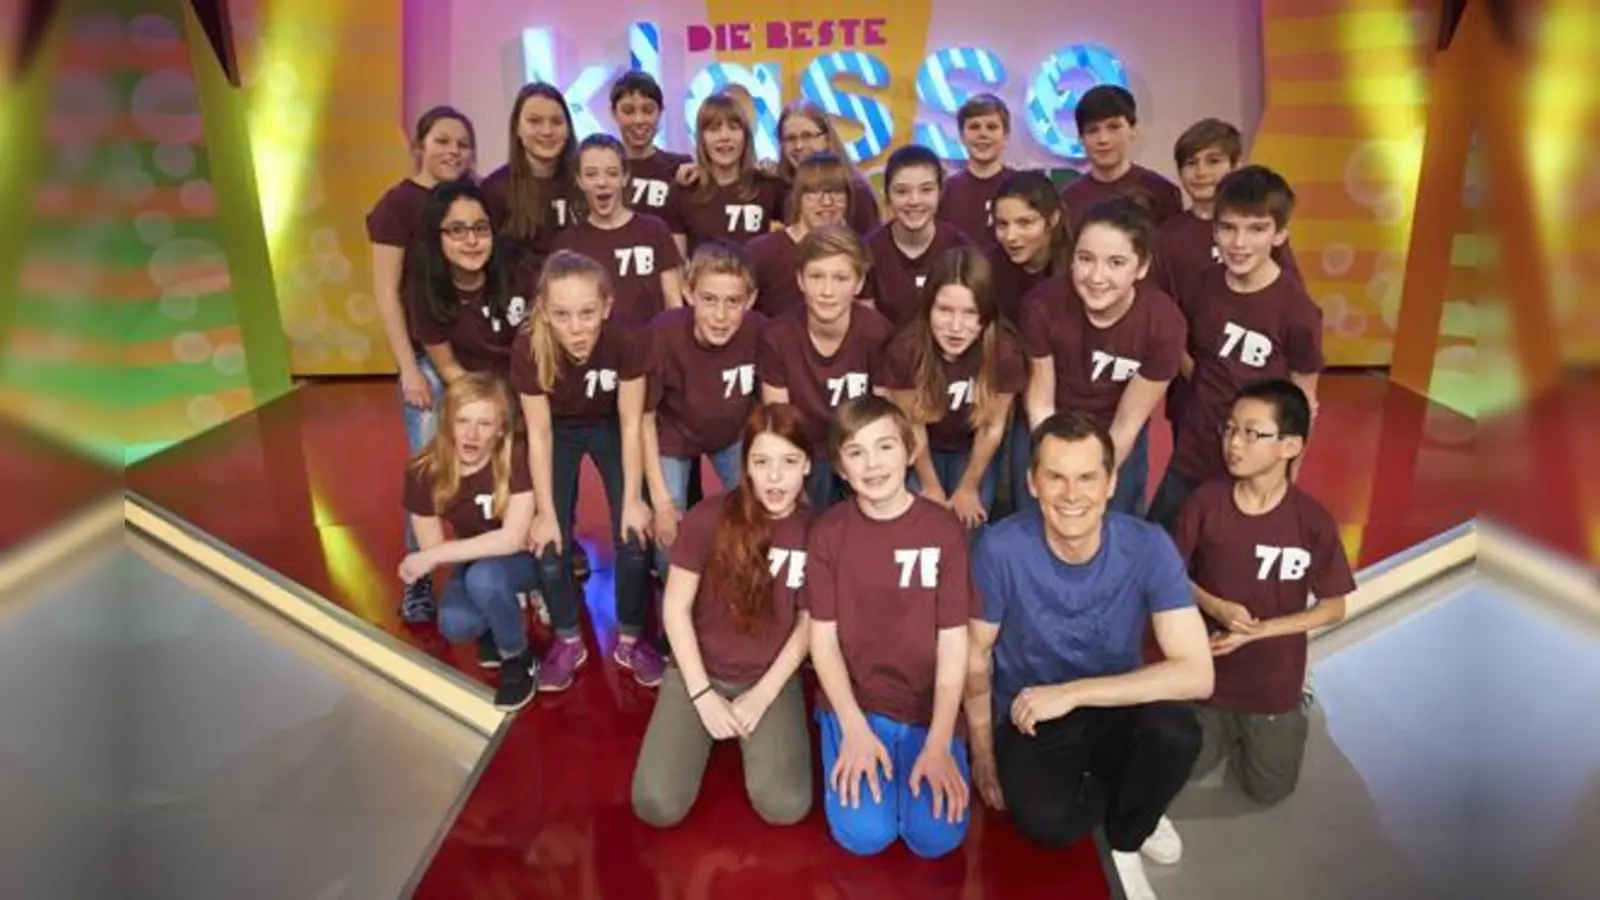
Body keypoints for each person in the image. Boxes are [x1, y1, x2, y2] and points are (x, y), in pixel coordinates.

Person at [965, 411, 1213, 900]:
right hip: (1030, 711)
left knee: (1178, 732)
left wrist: (1074, 693)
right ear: (1032, 483)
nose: (1071, 495)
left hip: (1112, 701)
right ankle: (1122, 791)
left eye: (1086, 478)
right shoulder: (999, 548)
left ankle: (1127, 835)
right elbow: (976, 656)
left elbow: (1197, 674)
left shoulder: (1148, 547)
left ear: (1111, 482)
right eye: (1055, 477)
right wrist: (983, 751)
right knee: (1047, 826)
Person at [631, 403, 817, 828]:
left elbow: (809, 623)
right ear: (745, 465)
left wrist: (764, 694)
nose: (774, 477)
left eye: (789, 462)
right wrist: (701, 694)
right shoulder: (707, 518)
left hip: (768, 675)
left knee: (786, 806)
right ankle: (700, 725)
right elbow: (675, 608)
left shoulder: (817, 532)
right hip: (699, 669)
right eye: (761, 462)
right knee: (655, 805)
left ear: (807, 465)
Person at [805, 396, 973, 858]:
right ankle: (849, 738)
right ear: (840, 467)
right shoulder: (827, 533)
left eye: (885, 447)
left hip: (926, 708)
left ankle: (923, 753)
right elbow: (822, 641)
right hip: (859, 705)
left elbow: (954, 642)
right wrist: (854, 728)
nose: (873, 464)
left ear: (910, 450)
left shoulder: (943, 531)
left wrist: (939, 741)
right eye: (856, 452)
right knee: (865, 836)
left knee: (935, 838)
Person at [1175, 380, 1352, 806]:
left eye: (1252, 433)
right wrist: (1212, 604)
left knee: (1268, 791)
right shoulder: (1206, 501)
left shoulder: (1312, 521)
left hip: (1273, 681)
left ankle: (1296, 706)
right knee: (1182, 770)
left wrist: (1260, 631)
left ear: (1289, 446)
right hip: (1207, 677)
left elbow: (1334, 607)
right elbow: (1167, 575)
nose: (1234, 443)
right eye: (1231, 429)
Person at [510, 250, 661, 691]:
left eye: (587, 314)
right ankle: (568, 639)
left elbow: (632, 421)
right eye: (561, 315)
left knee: (634, 532)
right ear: (544, 311)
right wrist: (546, 511)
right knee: (550, 539)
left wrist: (633, 500)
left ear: (606, 308)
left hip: (610, 424)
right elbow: (538, 433)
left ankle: (632, 638)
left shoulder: (626, 341)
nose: (576, 328)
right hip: (556, 429)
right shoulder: (528, 348)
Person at [1148, 165, 1323, 532]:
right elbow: (1189, 352)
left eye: (1256, 229)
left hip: (1257, 461)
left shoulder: (1298, 310)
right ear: (1214, 230)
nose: (1239, 243)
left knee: (1227, 562)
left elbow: (1303, 402)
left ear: (1279, 235)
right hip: (1194, 452)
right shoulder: (1202, 287)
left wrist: (1285, 477)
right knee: (1157, 544)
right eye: (1228, 228)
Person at [366, 105, 477, 623]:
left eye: (462, 143)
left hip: (472, 357)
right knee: (429, 472)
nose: (453, 151)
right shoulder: (396, 205)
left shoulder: (470, 199)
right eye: (443, 141)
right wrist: (408, 367)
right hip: (425, 361)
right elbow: (387, 293)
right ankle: (418, 578)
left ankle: (482, 567)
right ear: (420, 144)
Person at [1019, 197, 1186, 517]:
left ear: (1143, 266)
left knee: (1112, 522)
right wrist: (1053, 464)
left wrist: (1093, 476)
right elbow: (1041, 400)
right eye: (1085, 259)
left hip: (1115, 431)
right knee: (1038, 515)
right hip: (1052, 423)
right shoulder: (1042, 305)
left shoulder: (1164, 324)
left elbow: (1128, 421)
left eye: (1116, 263)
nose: (1096, 277)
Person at [400, 373, 539, 710]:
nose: (471, 434)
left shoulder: (516, 455)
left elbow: (512, 539)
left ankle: (518, 660)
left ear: (501, 429)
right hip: (477, 558)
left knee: (485, 578)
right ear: (447, 423)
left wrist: (431, 558)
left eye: (484, 423)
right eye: (462, 420)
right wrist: (434, 556)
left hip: (528, 557)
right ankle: (498, 612)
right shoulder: (423, 473)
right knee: (456, 624)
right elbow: (434, 549)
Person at [875, 247, 1024, 527]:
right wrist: (930, 486)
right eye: (944, 310)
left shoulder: (1004, 352)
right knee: (921, 522)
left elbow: (991, 427)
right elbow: (912, 424)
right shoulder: (906, 350)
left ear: (987, 314)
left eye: (971, 313)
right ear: (928, 308)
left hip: (972, 445)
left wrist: (968, 487)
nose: (956, 327)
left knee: (967, 523)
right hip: (922, 444)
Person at [643, 242, 766, 577]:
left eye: (733, 302)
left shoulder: (759, 331)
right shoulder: (662, 333)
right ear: (688, 293)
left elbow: (769, 402)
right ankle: (672, 601)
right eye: (709, 300)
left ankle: (743, 591)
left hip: (732, 432)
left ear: (750, 301)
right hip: (674, 436)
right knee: (670, 527)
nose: (721, 315)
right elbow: (643, 419)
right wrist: (662, 501)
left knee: (756, 513)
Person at [757, 226, 894, 510]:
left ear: (858, 284)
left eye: (841, 278)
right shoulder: (778, 336)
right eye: (816, 277)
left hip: (857, 446)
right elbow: (780, 420)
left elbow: (882, 415)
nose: (827, 291)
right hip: (805, 450)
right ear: (800, 280)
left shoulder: (877, 332)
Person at [554, 133, 684, 328]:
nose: (602, 182)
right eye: (591, 174)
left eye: (612, 173)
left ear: (625, 177)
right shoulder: (568, 243)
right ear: (579, 180)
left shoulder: (654, 230)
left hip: (652, 352)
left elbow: (673, 303)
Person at [406, 180, 527, 384]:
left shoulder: (519, 272)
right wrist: (491, 402)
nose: (472, 241)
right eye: (457, 230)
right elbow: (449, 367)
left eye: (481, 228)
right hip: (474, 389)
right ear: (436, 236)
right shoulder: (426, 292)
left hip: (528, 384)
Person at [662, 93, 787, 255]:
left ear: (746, 136)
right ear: (702, 139)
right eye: (714, 129)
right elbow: (678, 267)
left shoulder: (768, 186)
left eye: (734, 128)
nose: (724, 137)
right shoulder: (684, 191)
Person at [864, 144, 973, 326]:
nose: (914, 201)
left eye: (926, 190)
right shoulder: (867, 252)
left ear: (940, 192)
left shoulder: (962, 250)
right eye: (902, 191)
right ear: (887, 195)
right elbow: (866, 329)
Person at [481, 82, 578, 280]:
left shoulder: (584, 184)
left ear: (568, 129)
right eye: (535, 121)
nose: (547, 131)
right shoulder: (493, 190)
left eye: (557, 122)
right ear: (517, 128)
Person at [745, 152, 858, 318]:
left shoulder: (857, 253)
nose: (827, 202)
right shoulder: (761, 253)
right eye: (814, 192)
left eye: (836, 192)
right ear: (798, 198)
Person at [1057, 85, 1183, 230]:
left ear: (1133, 130)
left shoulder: (1162, 192)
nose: (1103, 139)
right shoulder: (1067, 200)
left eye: (1113, 127)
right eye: (1093, 130)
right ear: (1080, 139)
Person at [774, 101, 881, 236]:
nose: (799, 146)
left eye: (807, 136)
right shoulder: (780, 188)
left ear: (827, 138)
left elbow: (870, 248)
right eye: (790, 138)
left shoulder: (856, 190)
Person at [609, 71, 693, 216]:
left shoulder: (681, 168)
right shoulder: (601, 171)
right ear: (614, 113)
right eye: (628, 111)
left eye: (648, 110)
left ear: (660, 112)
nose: (639, 120)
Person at [936, 94, 1014, 245]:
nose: (982, 134)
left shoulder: (1021, 187)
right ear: (962, 136)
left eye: (992, 127)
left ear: (1006, 136)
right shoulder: (945, 191)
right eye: (974, 127)